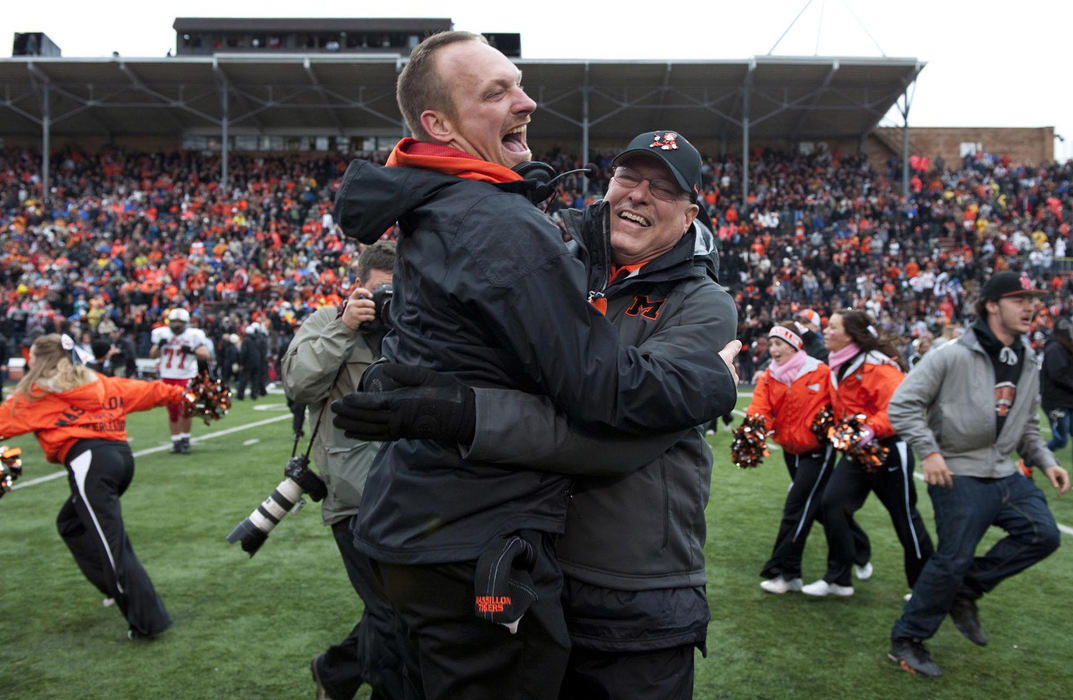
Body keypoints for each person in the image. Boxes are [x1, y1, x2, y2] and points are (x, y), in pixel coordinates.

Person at [331, 31, 738, 700]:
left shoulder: (702, 305)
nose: (638, 194)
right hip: (519, 557)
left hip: (628, 588)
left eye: (663, 189)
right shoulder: (542, 241)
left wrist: (462, 412)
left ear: (690, 213)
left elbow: (616, 435)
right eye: (629, 177)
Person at [887, 271, 1068, 678]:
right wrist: (930, 452)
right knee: (951, 559)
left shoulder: (1028, 359)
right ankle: (907, 638)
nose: (1030, 307)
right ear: (991, 304)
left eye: (1032, 299)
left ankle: (965, 591)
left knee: (1043, 534)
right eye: (1019, 299)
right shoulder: (950, 354)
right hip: (957, 470)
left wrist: (1046, 461)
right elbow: (902, 405)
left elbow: (1025, 427)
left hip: (1004, 471)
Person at [0, 334, 196, 640]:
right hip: (120, 461)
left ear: (40, 362)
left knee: (112, 546)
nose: (28, 362)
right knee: (71, 524)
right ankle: (112, 587)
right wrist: (183, 394)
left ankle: (148, 622)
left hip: (89, 463)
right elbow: (149, 390)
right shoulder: (99, 382)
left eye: (31, 357)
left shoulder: (36, 395)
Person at [281, 241, 405, 700]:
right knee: (393, 616)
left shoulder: (417, 322)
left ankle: (335, 673)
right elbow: (299, 384)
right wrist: (344, 326)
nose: (390, 301)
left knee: (401, 609)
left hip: (414, 490)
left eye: (400, 290)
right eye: (381, 292)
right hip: (356, 498)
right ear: (358, 288)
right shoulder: (327, 322)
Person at [802, 309, 934, 597]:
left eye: (833, 327)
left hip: (887, 450)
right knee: (832, 504)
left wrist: (868, 429)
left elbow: (899, 409)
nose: (826, 331)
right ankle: (839, 578)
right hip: (856, 452)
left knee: (905, 517)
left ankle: (926, 586)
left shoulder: (879, 367)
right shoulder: (837, 363)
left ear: (850, 335)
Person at [747, 322, 870, 594]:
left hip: (818, 451)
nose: (773, 348)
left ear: (794, 345)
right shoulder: (770, 375)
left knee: (796, 509)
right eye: (771, 342)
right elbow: (760, 408)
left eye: (779, 343)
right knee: (815, 511)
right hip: (791, 452)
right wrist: (754, 430)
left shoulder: (820, 371)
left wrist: (845, 430)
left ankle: (784, 572)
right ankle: (858, 551)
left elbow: (840, 405)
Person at [149, 308, 210, 454]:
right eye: (174, 321)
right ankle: (176, 441)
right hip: (167, 376)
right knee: (173, 412)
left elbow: (205, 354)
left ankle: (185, 439)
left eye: (180, 322)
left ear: (186, 323)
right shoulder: (161, 334)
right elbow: (152, 355)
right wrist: (159, 345)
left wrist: (192, 351)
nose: (176, 325)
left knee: (186, 410)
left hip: (186, 376)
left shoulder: (193, 335)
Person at [1040, 314, 1073, 464]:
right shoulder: (1055, 349)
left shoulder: (1066, 348)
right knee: (1060, 440)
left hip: (1068, 399)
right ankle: (1029, 461)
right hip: (1056, 402)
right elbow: (1058, 375)